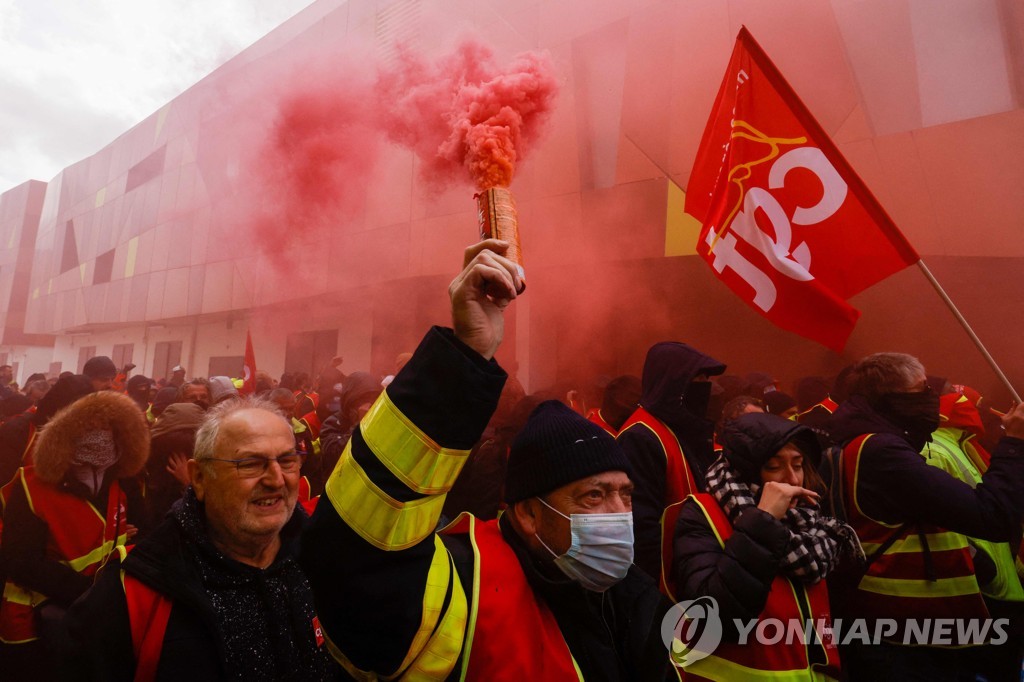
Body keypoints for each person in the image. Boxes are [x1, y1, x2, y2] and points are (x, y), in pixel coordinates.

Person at [299, 240, 672, 680]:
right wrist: (462, 358)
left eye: (625, 495)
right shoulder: (465, 589)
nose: (618, 515)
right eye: (593, 496)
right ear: (531, 513)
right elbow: (354, 566)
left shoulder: (638, 600)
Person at [60, 396, 343, 681]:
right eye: (249, 463)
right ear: (199, 478)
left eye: (286, 460)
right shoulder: (134, 589)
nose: (276, 479)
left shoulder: (325, 557)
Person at [826, 352, 1024, 679]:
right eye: (921, 391)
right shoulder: (882, 452)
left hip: (910, 629)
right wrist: (1015, 444)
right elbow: (992, 515)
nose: (932, 399)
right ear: (892, 399)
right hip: (903, 633)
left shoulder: (867, 443)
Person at [667, 413, 859, 679]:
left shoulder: (810, 523)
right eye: (774, 466)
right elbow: (713, 618)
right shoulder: (704, 514)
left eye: (798, 464)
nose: (792, 479)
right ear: (745, 472)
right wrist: (763, 521)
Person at [0, 391, 148, 680]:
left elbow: (145, 537)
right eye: (88, 430)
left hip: (102, 616)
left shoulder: (125, 480)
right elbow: (19, 560)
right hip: (39, 619)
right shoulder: (32, 486)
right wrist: (91, 593)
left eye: (109, 430)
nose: (101, 439)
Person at [616, 341, 726, 580]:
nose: (705, 387)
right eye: (698, 379)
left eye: (707, 379)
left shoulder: (682, 428)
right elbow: (641, 529)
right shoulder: (640, 437)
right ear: (672, 383)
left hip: (695, 569)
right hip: (668, 583)